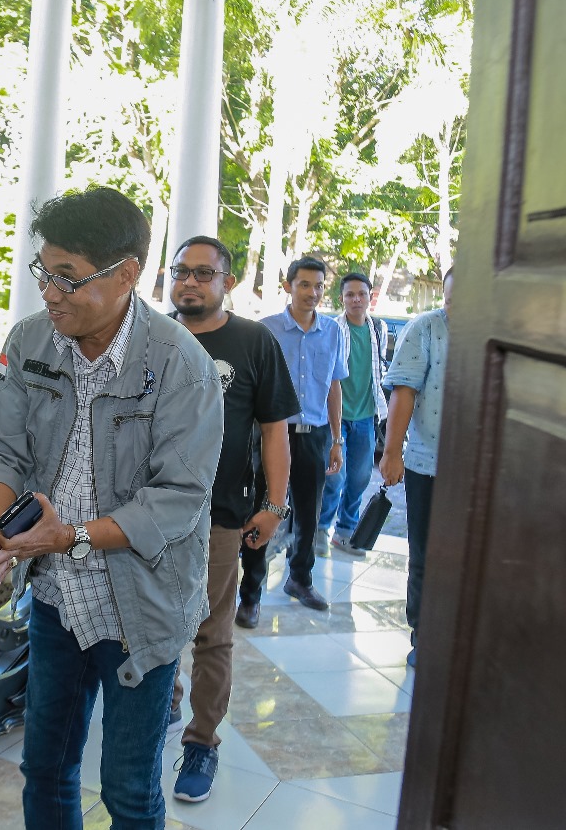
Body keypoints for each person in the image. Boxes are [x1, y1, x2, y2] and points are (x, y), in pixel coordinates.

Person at [0, 187, 223, 829]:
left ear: (127, 273)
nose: (49, 293)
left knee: (128, 788)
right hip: (56, 599)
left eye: (67, 276)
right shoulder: (30, 341)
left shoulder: (181, 364)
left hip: (142, 603)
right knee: (46, 767)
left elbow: (177, 499)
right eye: (43, 272)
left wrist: (70, 538)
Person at [163, 236, 298, 802]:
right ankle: (163, 701)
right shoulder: (151, 334)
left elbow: (274, 429)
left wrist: (274, 504)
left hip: (218, 513)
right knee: (150, 620)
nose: (190, 282)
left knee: (211, 631)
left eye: (203, 273)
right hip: (145, 513)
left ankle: (202, 741)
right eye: (181, 272)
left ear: (227, 282)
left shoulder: (253, 341)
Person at [258, 257, 347, 611]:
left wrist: (337, 440)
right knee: (265, 506)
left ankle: (300, 579)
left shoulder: (334, 332)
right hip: (273, 434)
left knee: (309, 512)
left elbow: (334, 387)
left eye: (319, 286)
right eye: (305, 284)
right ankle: (251, 588)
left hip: (315, 435)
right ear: (288, 286)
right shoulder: (266, 330)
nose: (313, 292)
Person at [379, 265, 453, 669]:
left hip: (481, 471)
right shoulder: (426, 328)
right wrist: (392, 453)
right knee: (424, 553)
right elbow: (404, 391)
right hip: (428, 464)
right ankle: (423, 635)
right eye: (453, 299)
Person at [317, 272, 389, 558]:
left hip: (366, 415)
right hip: (336, 418)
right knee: (335, 476)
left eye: (362, 294)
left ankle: (346, 531)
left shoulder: (378, 329)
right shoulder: (332, 329)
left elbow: (379, 370)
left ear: (370, 297)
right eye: (350, 294)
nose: (356, 299)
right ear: (341, 299)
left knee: (359, 477)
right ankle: (321, 529)